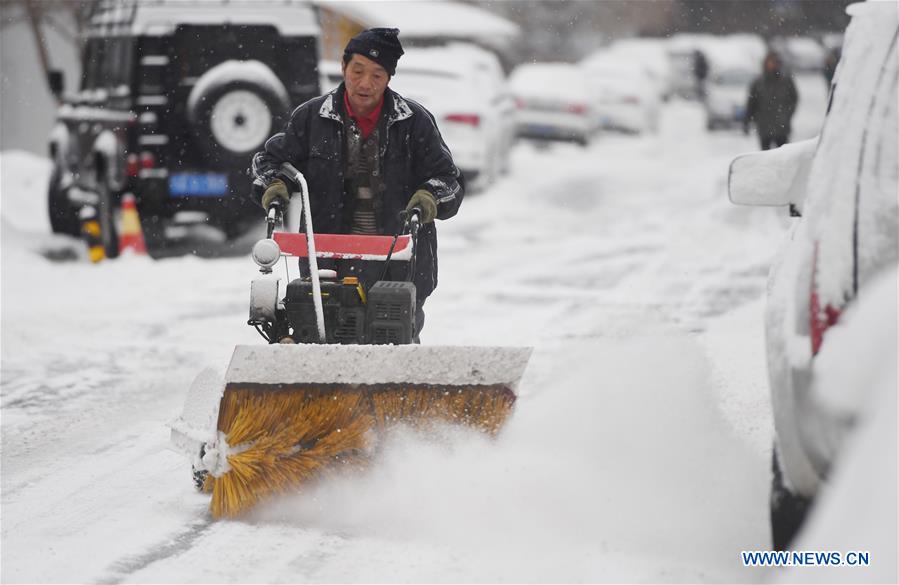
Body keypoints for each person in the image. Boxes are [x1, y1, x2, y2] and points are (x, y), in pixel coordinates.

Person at [250, 28, 464, 340]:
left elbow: (449, 180)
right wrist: (277, 185)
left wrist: (429, 197)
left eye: (377, 75)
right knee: (317, 338)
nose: (366, 83)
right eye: (358, 71)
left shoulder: (415, 121)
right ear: (343, 67)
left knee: (391, 340)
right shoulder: (311, 118)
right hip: (326, 258)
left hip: (399, 261)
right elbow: (269, 163)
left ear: (389, 78)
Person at [744, 51, 798, 150]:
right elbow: (751, 104)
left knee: (783, 155)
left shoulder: (786, 81)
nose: (771, 65)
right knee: (765, 157)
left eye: (774, 62)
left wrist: (786, 115)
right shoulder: (758, 83)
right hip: (764, 127)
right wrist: (747, 121)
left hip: (781, 127)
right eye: (769, 62)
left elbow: (793, 100)